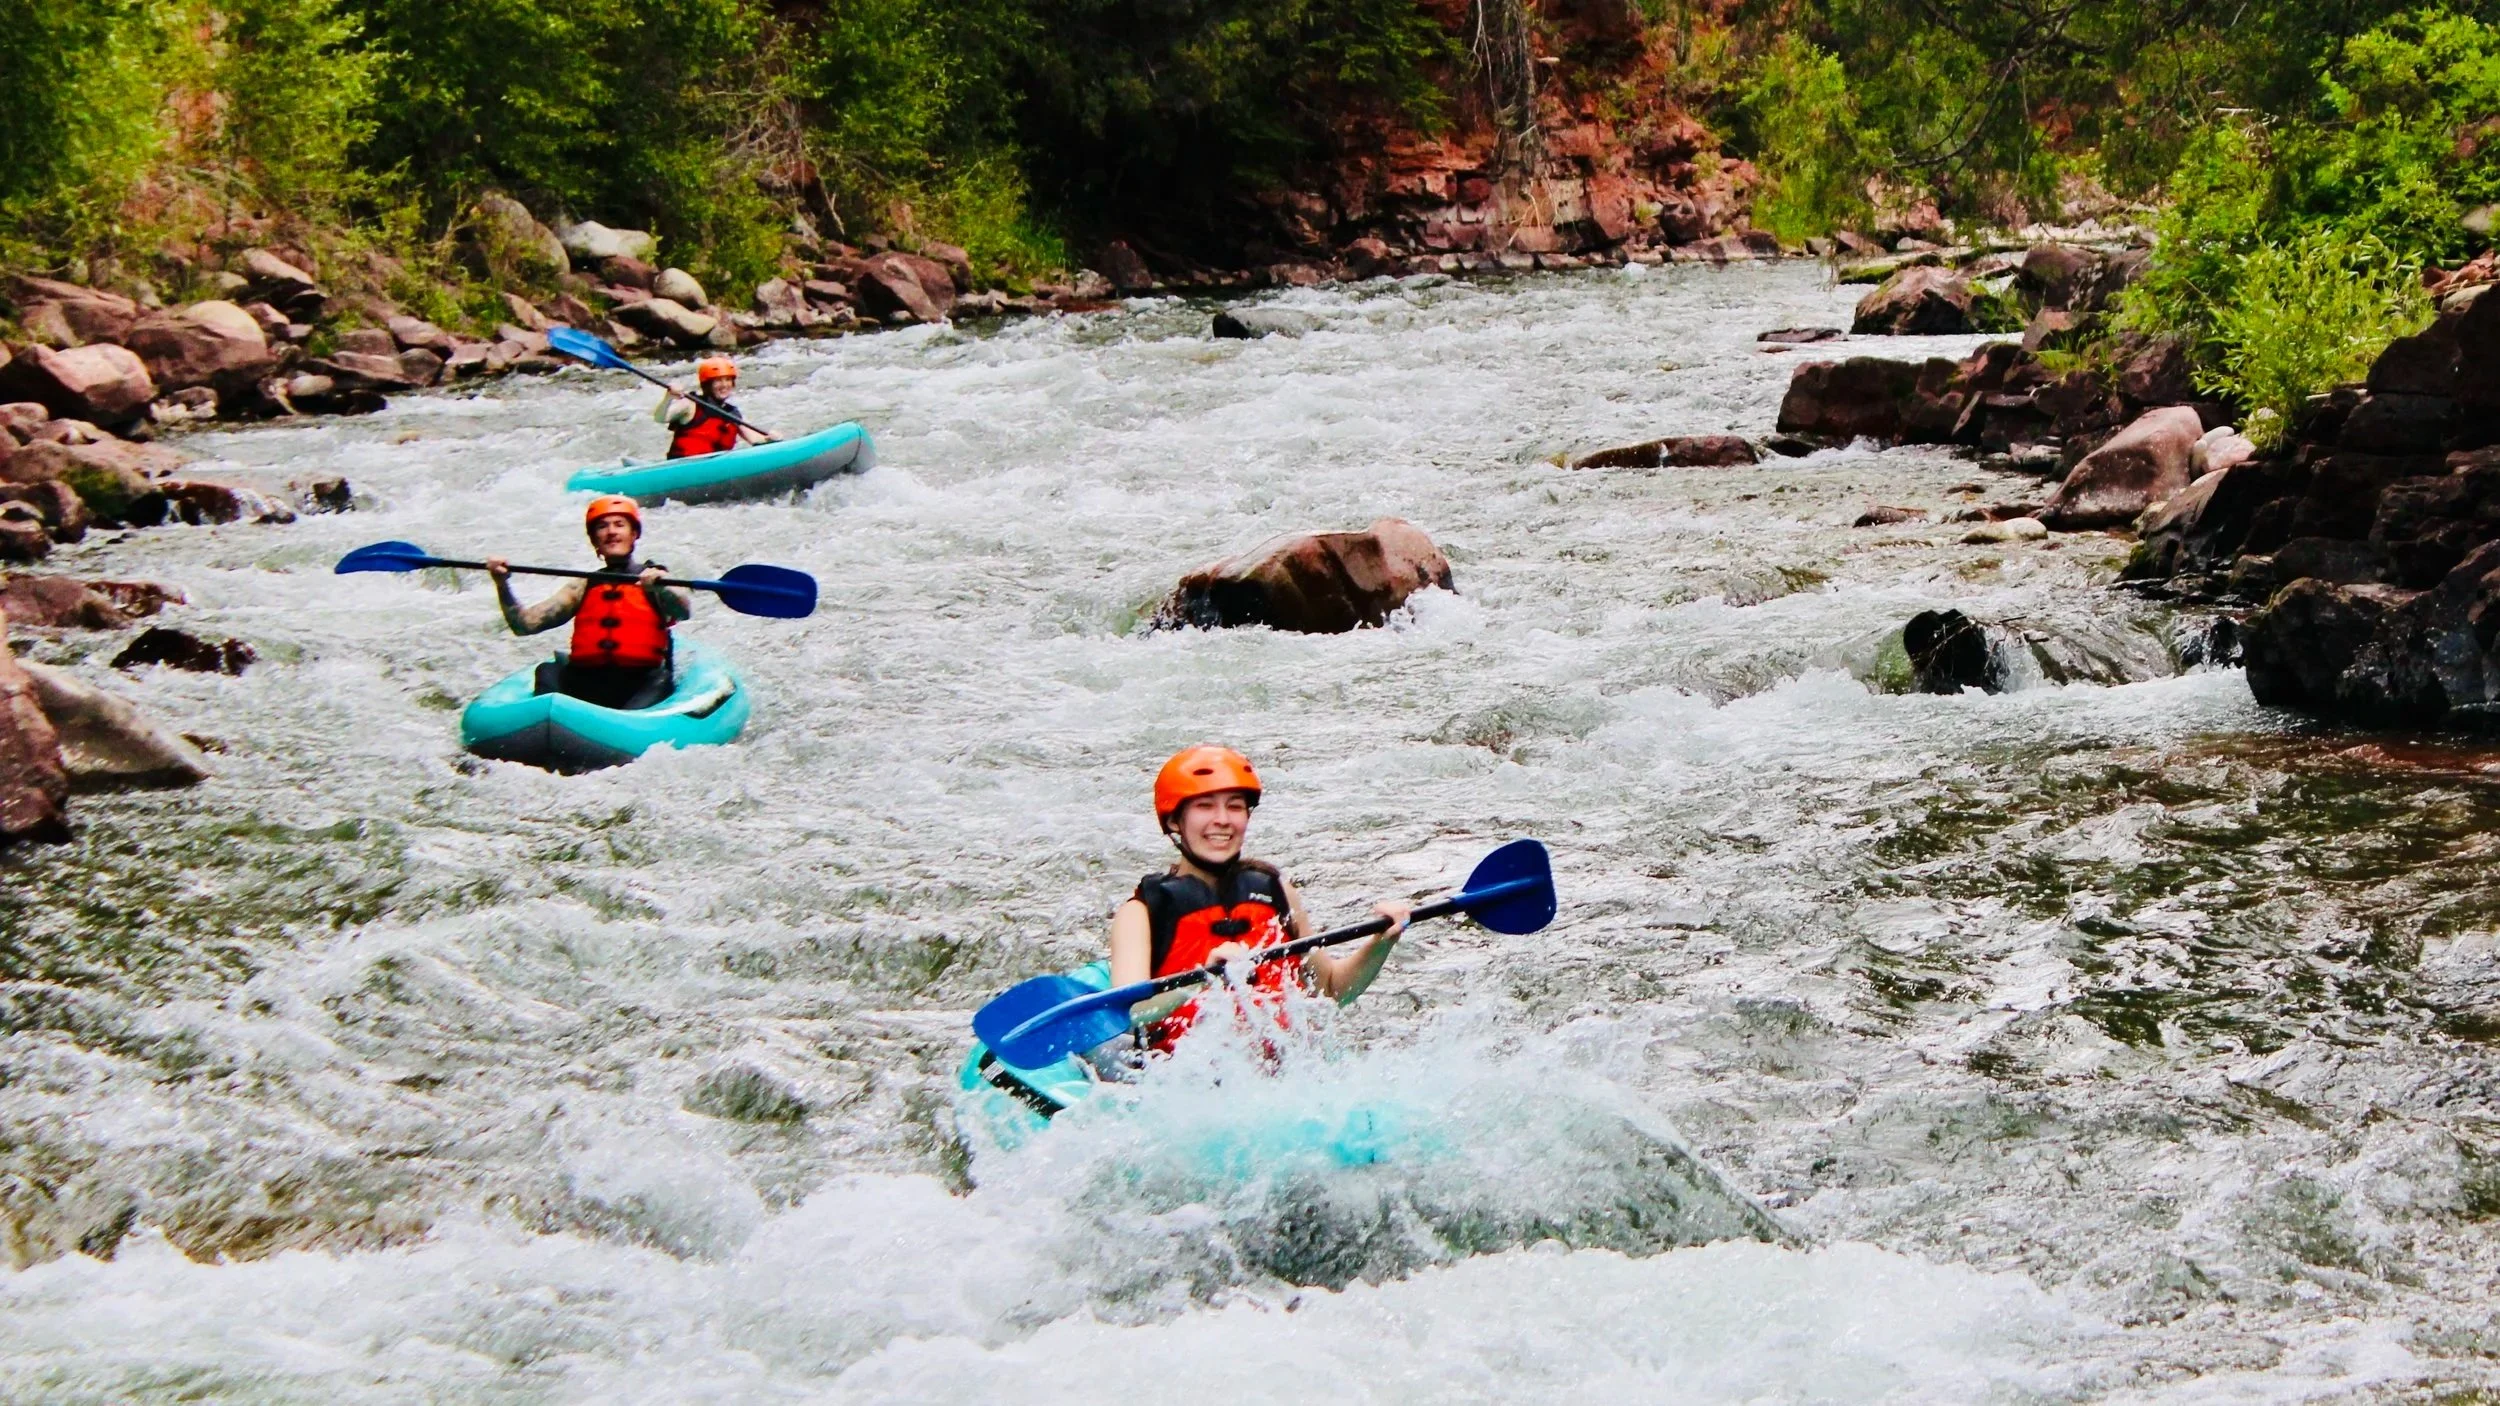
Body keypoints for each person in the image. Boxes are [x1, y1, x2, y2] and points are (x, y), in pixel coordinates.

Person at [1107, 746, 1410, 1053]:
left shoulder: (1275, 892)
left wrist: (1381, 942)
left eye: (1235, 807)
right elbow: (1129, 1012)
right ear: (1174, 821)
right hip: (1180, 1079)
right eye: (1205, 806)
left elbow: (1331, 990)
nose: (1222, 820)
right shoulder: (1141, 913)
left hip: (1275, 1076)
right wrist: (1200, 979)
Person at [487, 495, 692, 710]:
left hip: (639, 684)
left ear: (634, 534)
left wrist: (662, 587)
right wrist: (502, 584)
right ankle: (550, 722)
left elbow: (684, 610)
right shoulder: (583, 586)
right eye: (602, 527)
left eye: (619, 525)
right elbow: (524, 625)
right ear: (595, 541)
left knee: (661, 679)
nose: (611, 532)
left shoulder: (655, 578)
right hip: (586, 683)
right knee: (547, 671)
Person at [653, 356, 774, 459]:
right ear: (707, 385)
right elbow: (660, 418)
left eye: (728, 380)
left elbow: (755, 440)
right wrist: (668, 398)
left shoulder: (731, 413)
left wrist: (771, 439)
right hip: (683, 468)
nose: (724, 385)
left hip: (713, 470)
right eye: (718, 381)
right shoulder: (692, 404)